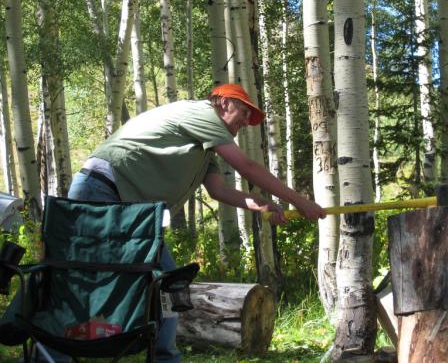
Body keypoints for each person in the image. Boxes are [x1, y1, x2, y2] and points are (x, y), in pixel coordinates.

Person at [66, 83, 326, 363]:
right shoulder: (202, 114)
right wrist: (300, 201)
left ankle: (165, 357)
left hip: (132, 211)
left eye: (251, 118)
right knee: (80, 279)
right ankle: (49, 349)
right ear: (223, 102)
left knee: (169, 286)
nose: (247, 122)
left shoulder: (204, 148)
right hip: (102, 190)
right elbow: (247, 167)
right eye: (244, 111)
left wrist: (261, 203)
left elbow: (219, 191)